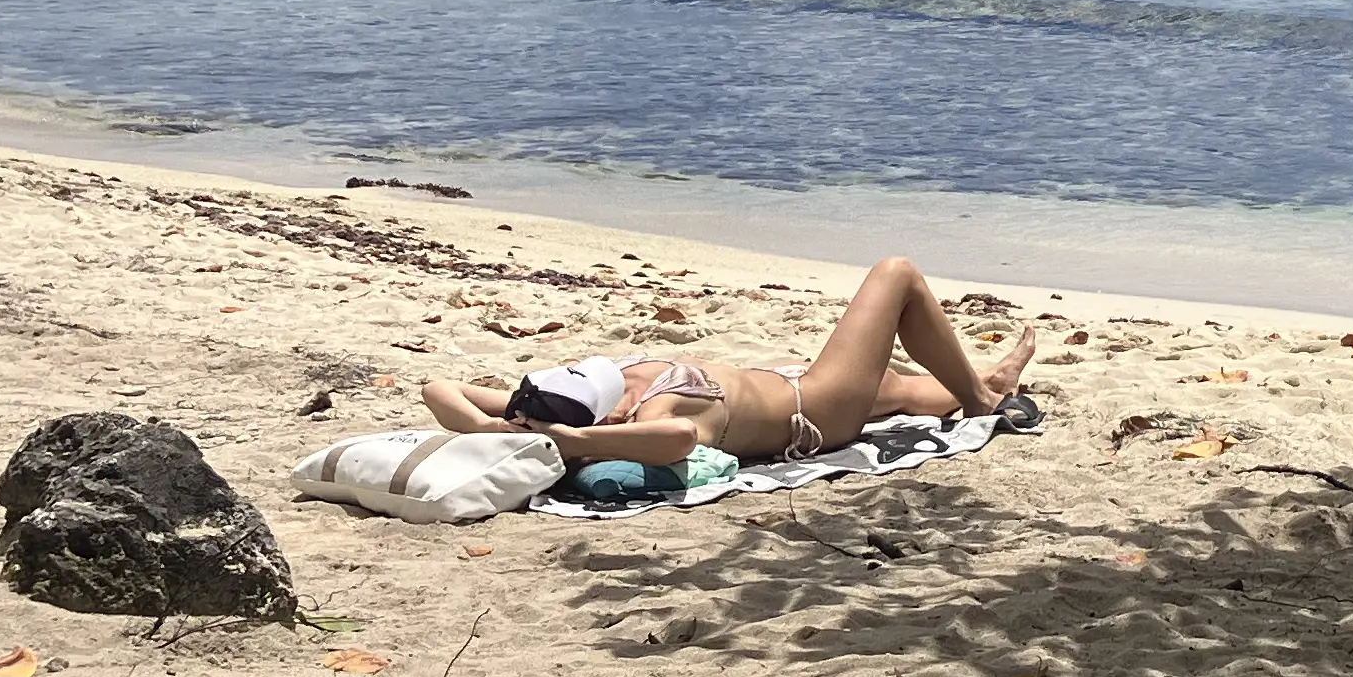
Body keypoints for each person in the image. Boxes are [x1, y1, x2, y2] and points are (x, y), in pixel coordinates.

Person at [417, 254, 1036, 470]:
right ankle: (983, 402)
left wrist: (490, 425)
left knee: (901, 390)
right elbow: (679, 438)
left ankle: (979, 386)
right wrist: (571, 440)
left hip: (784, 383)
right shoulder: (649, 415)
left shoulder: (540, 408)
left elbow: (437, 385)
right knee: (896, 276)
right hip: (814, 407)